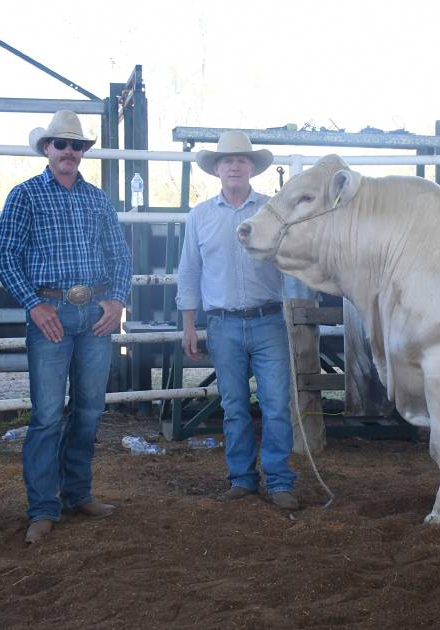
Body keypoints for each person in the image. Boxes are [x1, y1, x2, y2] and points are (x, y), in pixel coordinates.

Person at [0, 110, 132, 544]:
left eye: (76, 145)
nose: (69, 152)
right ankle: (43, 506)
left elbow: (121, 255)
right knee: (48, 414)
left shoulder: (98, 199)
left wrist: (118, 300)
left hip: (94, 312)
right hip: (50, 310)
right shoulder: (25, 195)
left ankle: (77, 493)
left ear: (82, 152)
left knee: (89, 409)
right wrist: (34, 305)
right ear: (46, 149)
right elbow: (5, 255)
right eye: (61, 145)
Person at [177, 130, 300, 511]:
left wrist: (295, 312)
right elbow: (189, 271)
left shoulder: (272, 212)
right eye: (227, 160)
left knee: (277, 404)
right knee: (233, 406)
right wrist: (188, 324)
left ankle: (279, 479)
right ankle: (243, 478)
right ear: (217, 169)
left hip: (269, 320)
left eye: (241, 160)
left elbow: (292, 266)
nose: (234, 166)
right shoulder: (199, 216)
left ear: (251, 168)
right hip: (223, 322)